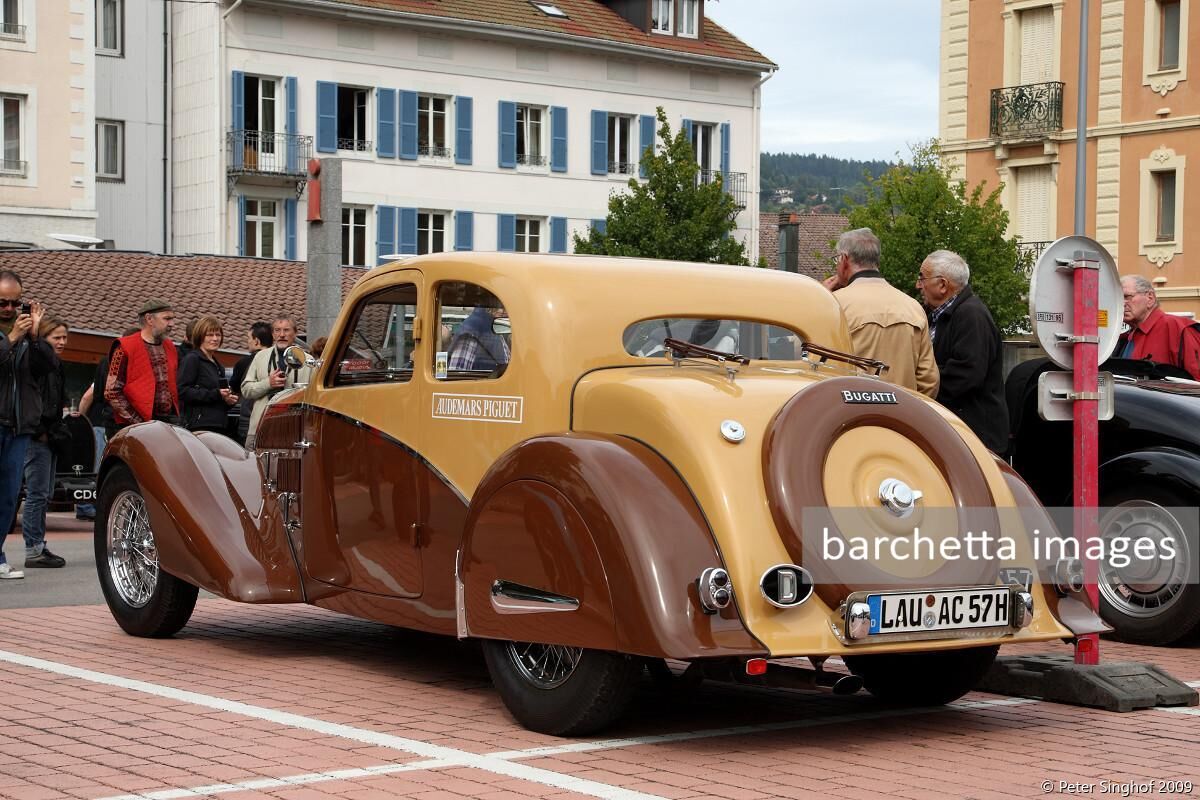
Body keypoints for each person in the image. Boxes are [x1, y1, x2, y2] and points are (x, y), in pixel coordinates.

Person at [823, 228, 939, 398]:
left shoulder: (834, 305)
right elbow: (929, 380)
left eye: (837, 260)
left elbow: (817, 369)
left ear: (845, 260)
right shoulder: (913, 307)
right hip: (899, 417)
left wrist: (819, 295)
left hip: (849, 417)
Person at [917, 250, 1008, 453]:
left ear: (942, 284)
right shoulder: (939, 315)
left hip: (974, 438)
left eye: (922, 277)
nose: (918, 285)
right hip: (960, 433)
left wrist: (922, 383)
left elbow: (967, 374)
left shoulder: (970, 315)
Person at [0, 269, 53, 580]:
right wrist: (12, 338)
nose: (8, 309)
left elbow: (48, 366)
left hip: (19, 427)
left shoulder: (26, 334)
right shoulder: (11, 336)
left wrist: (34, 336)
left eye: (14, 303)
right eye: (2, 303)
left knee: (8, 496)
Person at [76, 326, 140, 520]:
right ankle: (89, 505)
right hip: (110, 421)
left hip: (103, 419)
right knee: (103, 465)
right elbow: (89, 396)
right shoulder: (121, 363)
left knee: (100, 464)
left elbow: (93, 395)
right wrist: (81, 418)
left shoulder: (106, 361)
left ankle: (91, 504)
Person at [21, 318, 70, 569]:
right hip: (37, 436)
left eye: (64, 337)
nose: (61, 342)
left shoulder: (57, 364)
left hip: (50, 435)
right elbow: (33, 399)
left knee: (45, 493)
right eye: (56, 338)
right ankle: (33, 548)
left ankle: (38, 544)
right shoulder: (38, 362)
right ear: (44, 338)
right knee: (37, 494)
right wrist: (39, 430)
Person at [105, 299, 181, 431]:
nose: (172, 324)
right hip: (133, 427)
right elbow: (112, 391)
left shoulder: (170, 347)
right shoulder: (124, 347)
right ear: (149, 319)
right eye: (167, 319)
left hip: (167, 423)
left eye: (172, 319)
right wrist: (138, 422)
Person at [242, 314, 312, 449]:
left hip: (293, 431)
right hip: (260, 428)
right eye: (277, 330)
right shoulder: (260, 357)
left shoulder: (308, 361)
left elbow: (315, 396)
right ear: (273, 334)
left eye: (286, 330)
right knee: (254, 469)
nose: (281, 334)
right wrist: (268, 383)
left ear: (295, 333)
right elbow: (245, 390)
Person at [1116, 275, 1200, 379]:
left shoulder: (1179, 329)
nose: (1122, 303)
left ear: (1150, 298)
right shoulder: (1124, 338)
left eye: (1127, 297)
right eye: (1118, 298)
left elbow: (1196, 383)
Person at [177, 315, 239, 435]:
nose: (215, 339)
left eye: (218, 335)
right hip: (199, 427)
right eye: (210, 335)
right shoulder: (192, 359)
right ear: (200, 337)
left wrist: (227, 400)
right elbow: (182, 391)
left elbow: (217, 397)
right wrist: (216, 394)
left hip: (219, 425)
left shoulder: (217, 364)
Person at [230, 321, 270, 445]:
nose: (248, 342)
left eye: (249, 338)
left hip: (248, 421)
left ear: (256, 341)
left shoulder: (244, 363)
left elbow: (235, 388)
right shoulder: (278, 361)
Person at [448, 305, 510, 372]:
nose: (505, 312)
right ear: (489, 308)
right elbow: (458, 375)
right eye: (501, 307)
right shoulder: (470, 332)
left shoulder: (494, 330)